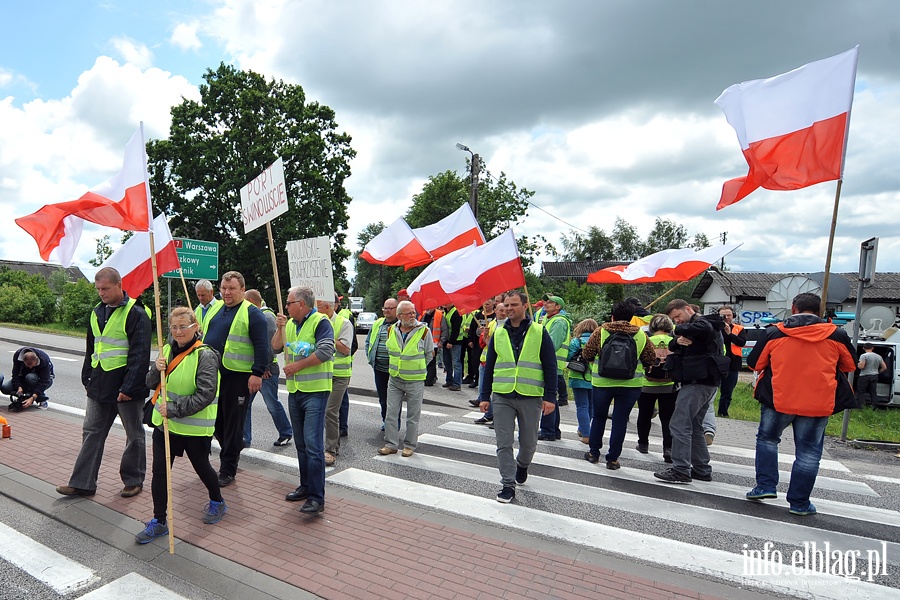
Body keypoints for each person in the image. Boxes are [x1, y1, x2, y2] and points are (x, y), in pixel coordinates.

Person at [745, 293, 856, 515]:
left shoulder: (775, 332)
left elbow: (755, 363)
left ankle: (765, 486)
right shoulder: (836, 334)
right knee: (808, 452)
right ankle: (799, 503)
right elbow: (850, 365)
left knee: (767, 439)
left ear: (793, 308)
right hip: (818, 402)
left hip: (779, 399)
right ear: (819, 310)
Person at [57, 267, 150, 498]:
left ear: (119, 285)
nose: (101, 293)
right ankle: (82, 483)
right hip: (99, 384)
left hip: (125, 388)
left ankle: (133, 480)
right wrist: (86, 376)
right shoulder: (96, 312)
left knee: (134, 435)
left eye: (106, 288)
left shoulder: (136, 312)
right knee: (91, 432)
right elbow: (92, 347)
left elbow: (140, 354)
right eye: (98, 289)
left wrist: (128, 388)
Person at [135, 307, 226, 544]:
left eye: (183, 326)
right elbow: (149, 382)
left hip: (193, 428)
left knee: (202, 467)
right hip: (165, 426)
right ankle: (159, 521)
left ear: (195, 328)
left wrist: (174, 409)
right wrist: (156, 369)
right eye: (174, 327)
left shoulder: (205, 355)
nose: (178, 331)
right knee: (160, 473)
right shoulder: (166, 350)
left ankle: (217, 501)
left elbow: (206, 393)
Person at [480, 291, 557, 503]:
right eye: (506, 305)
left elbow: (550, 366)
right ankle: (507, 484)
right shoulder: (499, 332)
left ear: (525, 306)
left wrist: (550, 397)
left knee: (529, 443)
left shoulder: (539, 332)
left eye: (514, 304)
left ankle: (522, 465)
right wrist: (484, 396)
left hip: (530, 396)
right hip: (503, 395)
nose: (508, 308)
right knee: (503, 442)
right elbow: (490, 366)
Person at [201, 271, 269, 487]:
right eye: (224, 288)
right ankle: (233, 445)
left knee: (232, 423)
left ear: (242, 289)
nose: (227, 292)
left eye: (231, 288)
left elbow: (263, 347)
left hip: (238, 377)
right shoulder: (215, 309)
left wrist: (257, 373)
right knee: (217, 423)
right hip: (214, 376)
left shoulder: (253, 314)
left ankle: (228, 469)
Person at [273, 286, 334, 515]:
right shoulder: (289, 324)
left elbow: (326, 351)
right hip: (296, 390)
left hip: (316, 391)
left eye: (289, 303)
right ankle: (306, 486)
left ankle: (317, 497)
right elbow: (275, 347)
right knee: (300, 443)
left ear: (301, 304)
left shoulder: (320, 322)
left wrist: (297, 366)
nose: (286, 307)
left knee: (312, 444)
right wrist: (279, 329)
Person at [654, 299, 726, 484]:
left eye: (678, 316)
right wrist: (678, 341)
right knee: (694, 426)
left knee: (679, 425)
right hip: (704, 382)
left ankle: (681, 470)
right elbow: (671, 345)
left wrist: (678, 332)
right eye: (673, 319)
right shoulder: (697, 326)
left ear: (688, 309)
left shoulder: (703, 323)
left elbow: (699, 328)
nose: (677, 321)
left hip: (698, 383)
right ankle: (701, 469)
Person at [582, 302, 655, 470]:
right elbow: (650, 358)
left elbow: (587, 353)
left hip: (602, 383)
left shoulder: (601, 331)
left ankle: (594, 453)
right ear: (632, 317)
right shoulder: (640, 335)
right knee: (620, 420)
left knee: (599, 417)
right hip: (631, 385)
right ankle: (613, 459)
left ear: (612, 316)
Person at [379, 300, 433, 457]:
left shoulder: (423, 331)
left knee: (413, 416)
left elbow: (429, 354)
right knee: (391, 413)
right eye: (409, 313)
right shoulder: (391, 330)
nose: (412, 315)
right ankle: (391, 444)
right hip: (395, 379)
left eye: (413, 312)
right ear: (399, 315)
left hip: (415, 380)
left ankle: (409, 445)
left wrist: (416, 367)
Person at [242, 290, 293, 448]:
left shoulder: (266, 316)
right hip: (256, 369)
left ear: (251, 301)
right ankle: (245, 438)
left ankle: (285, 433)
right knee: (245, 405)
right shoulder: (258, 315)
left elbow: (269, 345)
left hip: (266, 370)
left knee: (272, 404)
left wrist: (263, 366)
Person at [635, 315, 678, 462]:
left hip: (646, 384)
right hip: (669, 385)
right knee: (667, 418)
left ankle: (643, 444)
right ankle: (668, 448)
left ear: (652, 327)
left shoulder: (647, 341)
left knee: (644, 415)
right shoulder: (674, 342)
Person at [320, 293, 353, 466]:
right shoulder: (315, 321)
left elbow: (346, 349)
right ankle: (323, 446)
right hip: (321, 373)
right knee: (319, 411)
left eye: (319, 305)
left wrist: (327, 337)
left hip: (339, 375)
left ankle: (331, 449)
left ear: (329, 307)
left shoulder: (343, 323)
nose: (315, 308)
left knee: (330, 411)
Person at [539, 295, 571, 440]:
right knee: (551, 398)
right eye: (546, 301)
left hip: (552, 364)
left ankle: (548, 431)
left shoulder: (558, 322)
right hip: (552, 364)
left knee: (548, 397)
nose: (546, 304)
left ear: (558, 307)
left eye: (550, 302)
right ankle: (552, 430)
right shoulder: (550, 319)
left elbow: (552, 344)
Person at [365, 298, 398, 428]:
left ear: (397, 309)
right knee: (383, 399)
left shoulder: (401, 325)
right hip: (378, 368)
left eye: (390, 308)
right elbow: (368, 341)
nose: (386, 311)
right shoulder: (378, 323)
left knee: (394, 400)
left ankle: (394, 424)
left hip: (394, 369)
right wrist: (370, 356)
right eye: (385, 308)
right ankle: (385, 420)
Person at [473, 301, 508, 424]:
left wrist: (490, 344)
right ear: (496, 311)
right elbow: (482, 344)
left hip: (500, 363)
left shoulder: (509, 325)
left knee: (497, 392)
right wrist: (484, 337)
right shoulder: (491, 324)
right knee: (484, 389)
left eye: (505, 311)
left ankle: (497, 417)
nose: (503, 313)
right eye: (501, 310)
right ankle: (488, 414)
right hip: (485, 361)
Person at [567, 319, 598, 443]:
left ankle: (586, 434)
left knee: (581, 406)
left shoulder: (576, 341)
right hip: (594, 377)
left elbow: (569, 357)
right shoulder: (599, 341)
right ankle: (584, 429)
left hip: (578, 376)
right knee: (591, 406)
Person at [717, 305, 746, 417]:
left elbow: (741, 342)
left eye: (729, 315)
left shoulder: (739, 329)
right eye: (723, 315)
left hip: (733, 364)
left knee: (727, 391)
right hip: (717, 362)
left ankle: (723, 412)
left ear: (733, 316)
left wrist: (730, 334)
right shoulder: (715, 328)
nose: (726, 317)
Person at [442, 304, 465, 391]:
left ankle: (457, 383)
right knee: (447, 362)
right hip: (447, 341)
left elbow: (456, 329)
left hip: (455, 342)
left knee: (456, 363)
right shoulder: (446, 311)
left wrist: (451, 341)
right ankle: (449, 380)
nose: (445, 303)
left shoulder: (456, 312)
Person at [856, 342, 887, 407]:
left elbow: (861, 366)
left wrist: (858, 365)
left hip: (864, 375)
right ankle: (874, 405)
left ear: (863, 348)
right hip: (874, 375)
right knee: (873, 391)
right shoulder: (878, 356)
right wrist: (878, 372)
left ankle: (861, 405)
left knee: (860, 391)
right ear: (872, 348)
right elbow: (884, 367)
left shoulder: (864, 356)